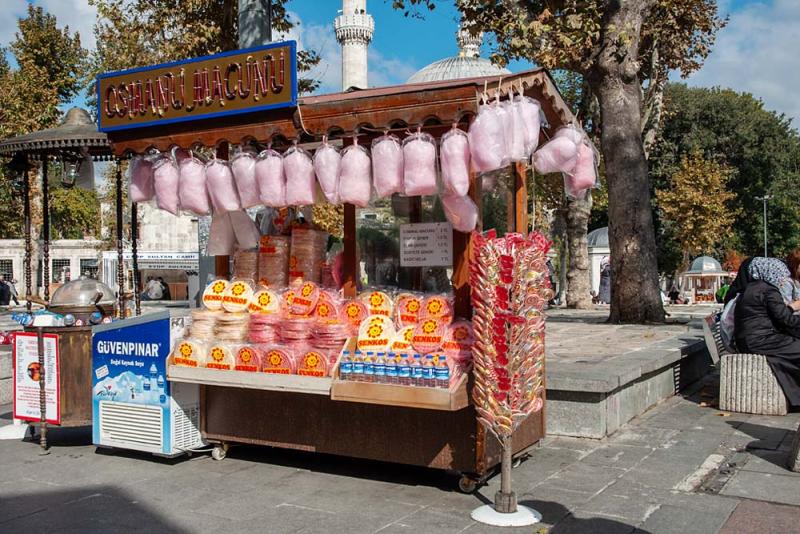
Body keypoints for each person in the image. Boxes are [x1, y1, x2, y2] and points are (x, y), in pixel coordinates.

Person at [734, 257, 800, 406]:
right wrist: (793, 308)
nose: (783, 279)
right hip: (761, 340)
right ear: (770, 272)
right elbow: (786, 319)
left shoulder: (752, 288)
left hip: (751, 339)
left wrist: (790, 308)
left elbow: (778, 315)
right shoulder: (769, 290)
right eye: (780, 274)